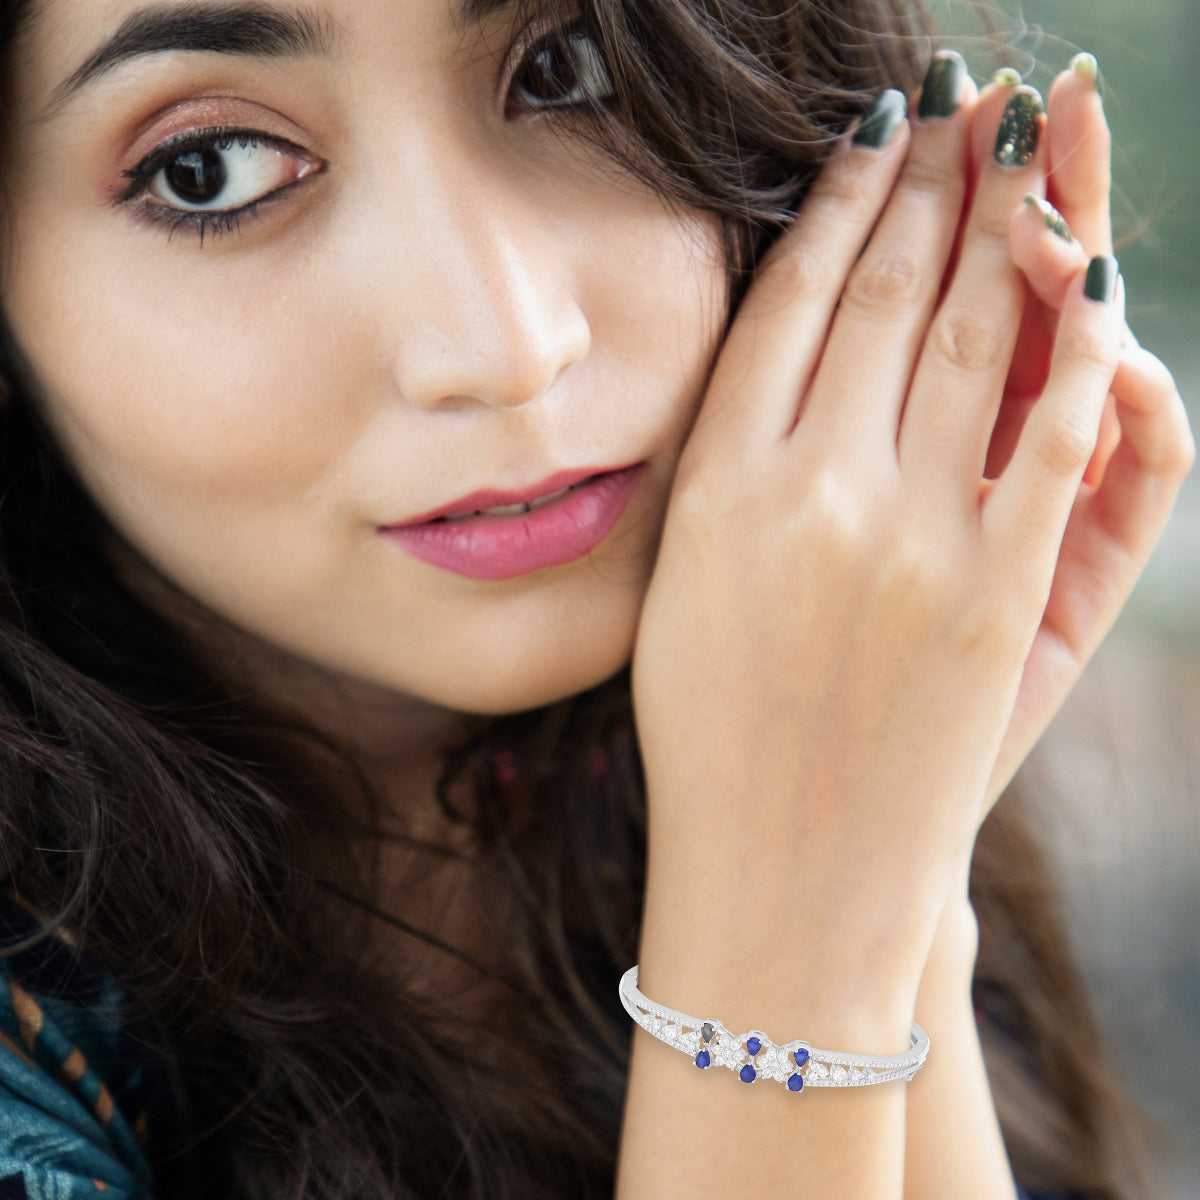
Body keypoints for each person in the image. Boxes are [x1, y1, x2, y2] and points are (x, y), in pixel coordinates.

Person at [0, 0, 1191, 1197]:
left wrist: (882, 856)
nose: (508, 344)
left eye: (569, 70)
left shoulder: (752, 726)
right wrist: (787, 946)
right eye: (210, 172)